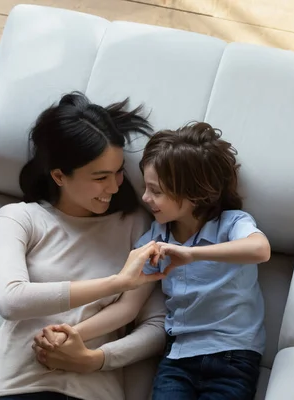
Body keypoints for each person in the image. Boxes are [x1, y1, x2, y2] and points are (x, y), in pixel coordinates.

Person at [36, 121, 271, 399]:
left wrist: (191, 254)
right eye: (146, 188)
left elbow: (260, 249)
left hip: (233, 356)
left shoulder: (231, 225)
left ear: (194, 193)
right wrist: (70, 334)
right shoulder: (154, 240)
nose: (146, 198)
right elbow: (127, 308)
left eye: (156, 191)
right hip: (178, 358)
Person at [0, 92, 168, 400]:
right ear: (59, 176)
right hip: (17, 386)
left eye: (119, 171)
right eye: (100, 177)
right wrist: (117, 282)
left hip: (93, 391)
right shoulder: (20, 218)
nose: (115, 185)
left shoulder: (136, 225)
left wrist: (95, 359)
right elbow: (11, 300)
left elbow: (158, 326)